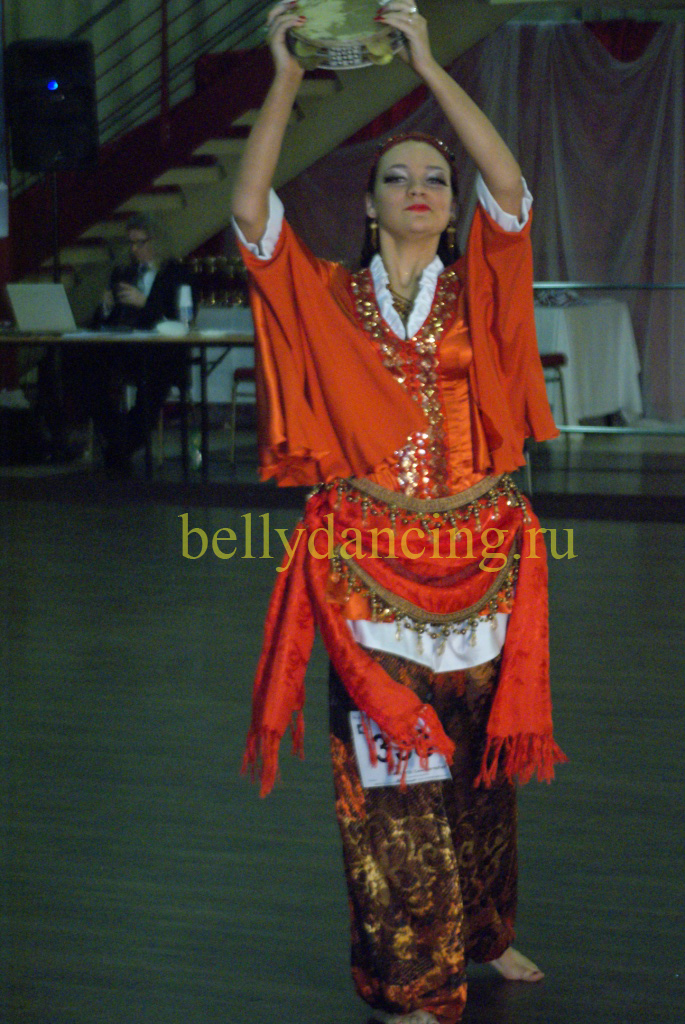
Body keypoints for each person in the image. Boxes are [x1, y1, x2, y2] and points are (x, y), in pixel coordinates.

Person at [234, 5, 566, 1023]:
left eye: (434, 178)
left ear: (450, 207)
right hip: (368, 571)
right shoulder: (327, 295)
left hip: (483, 560)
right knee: (391, 782)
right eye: (396, 177)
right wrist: (286, 76)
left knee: (479, 774)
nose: (419, 188)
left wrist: (426, 62)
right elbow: (249, 210)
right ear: (370, 203)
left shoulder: (482, 288)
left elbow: (508, 186)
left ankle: (483, 933)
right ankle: (405, 979)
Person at [69, 214, 191, 476]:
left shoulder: (176, 273)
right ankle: (118, 437)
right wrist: (105, 307)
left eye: (140, 242)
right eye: (131, 243)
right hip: (124, 346)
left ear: (156, 242)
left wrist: (145, 303)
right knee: (81, 364)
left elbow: (182, 319)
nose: (134, 249)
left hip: (160, 350)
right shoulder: (123, 272)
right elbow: (104, 321)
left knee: (154, 381)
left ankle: (119, 445)